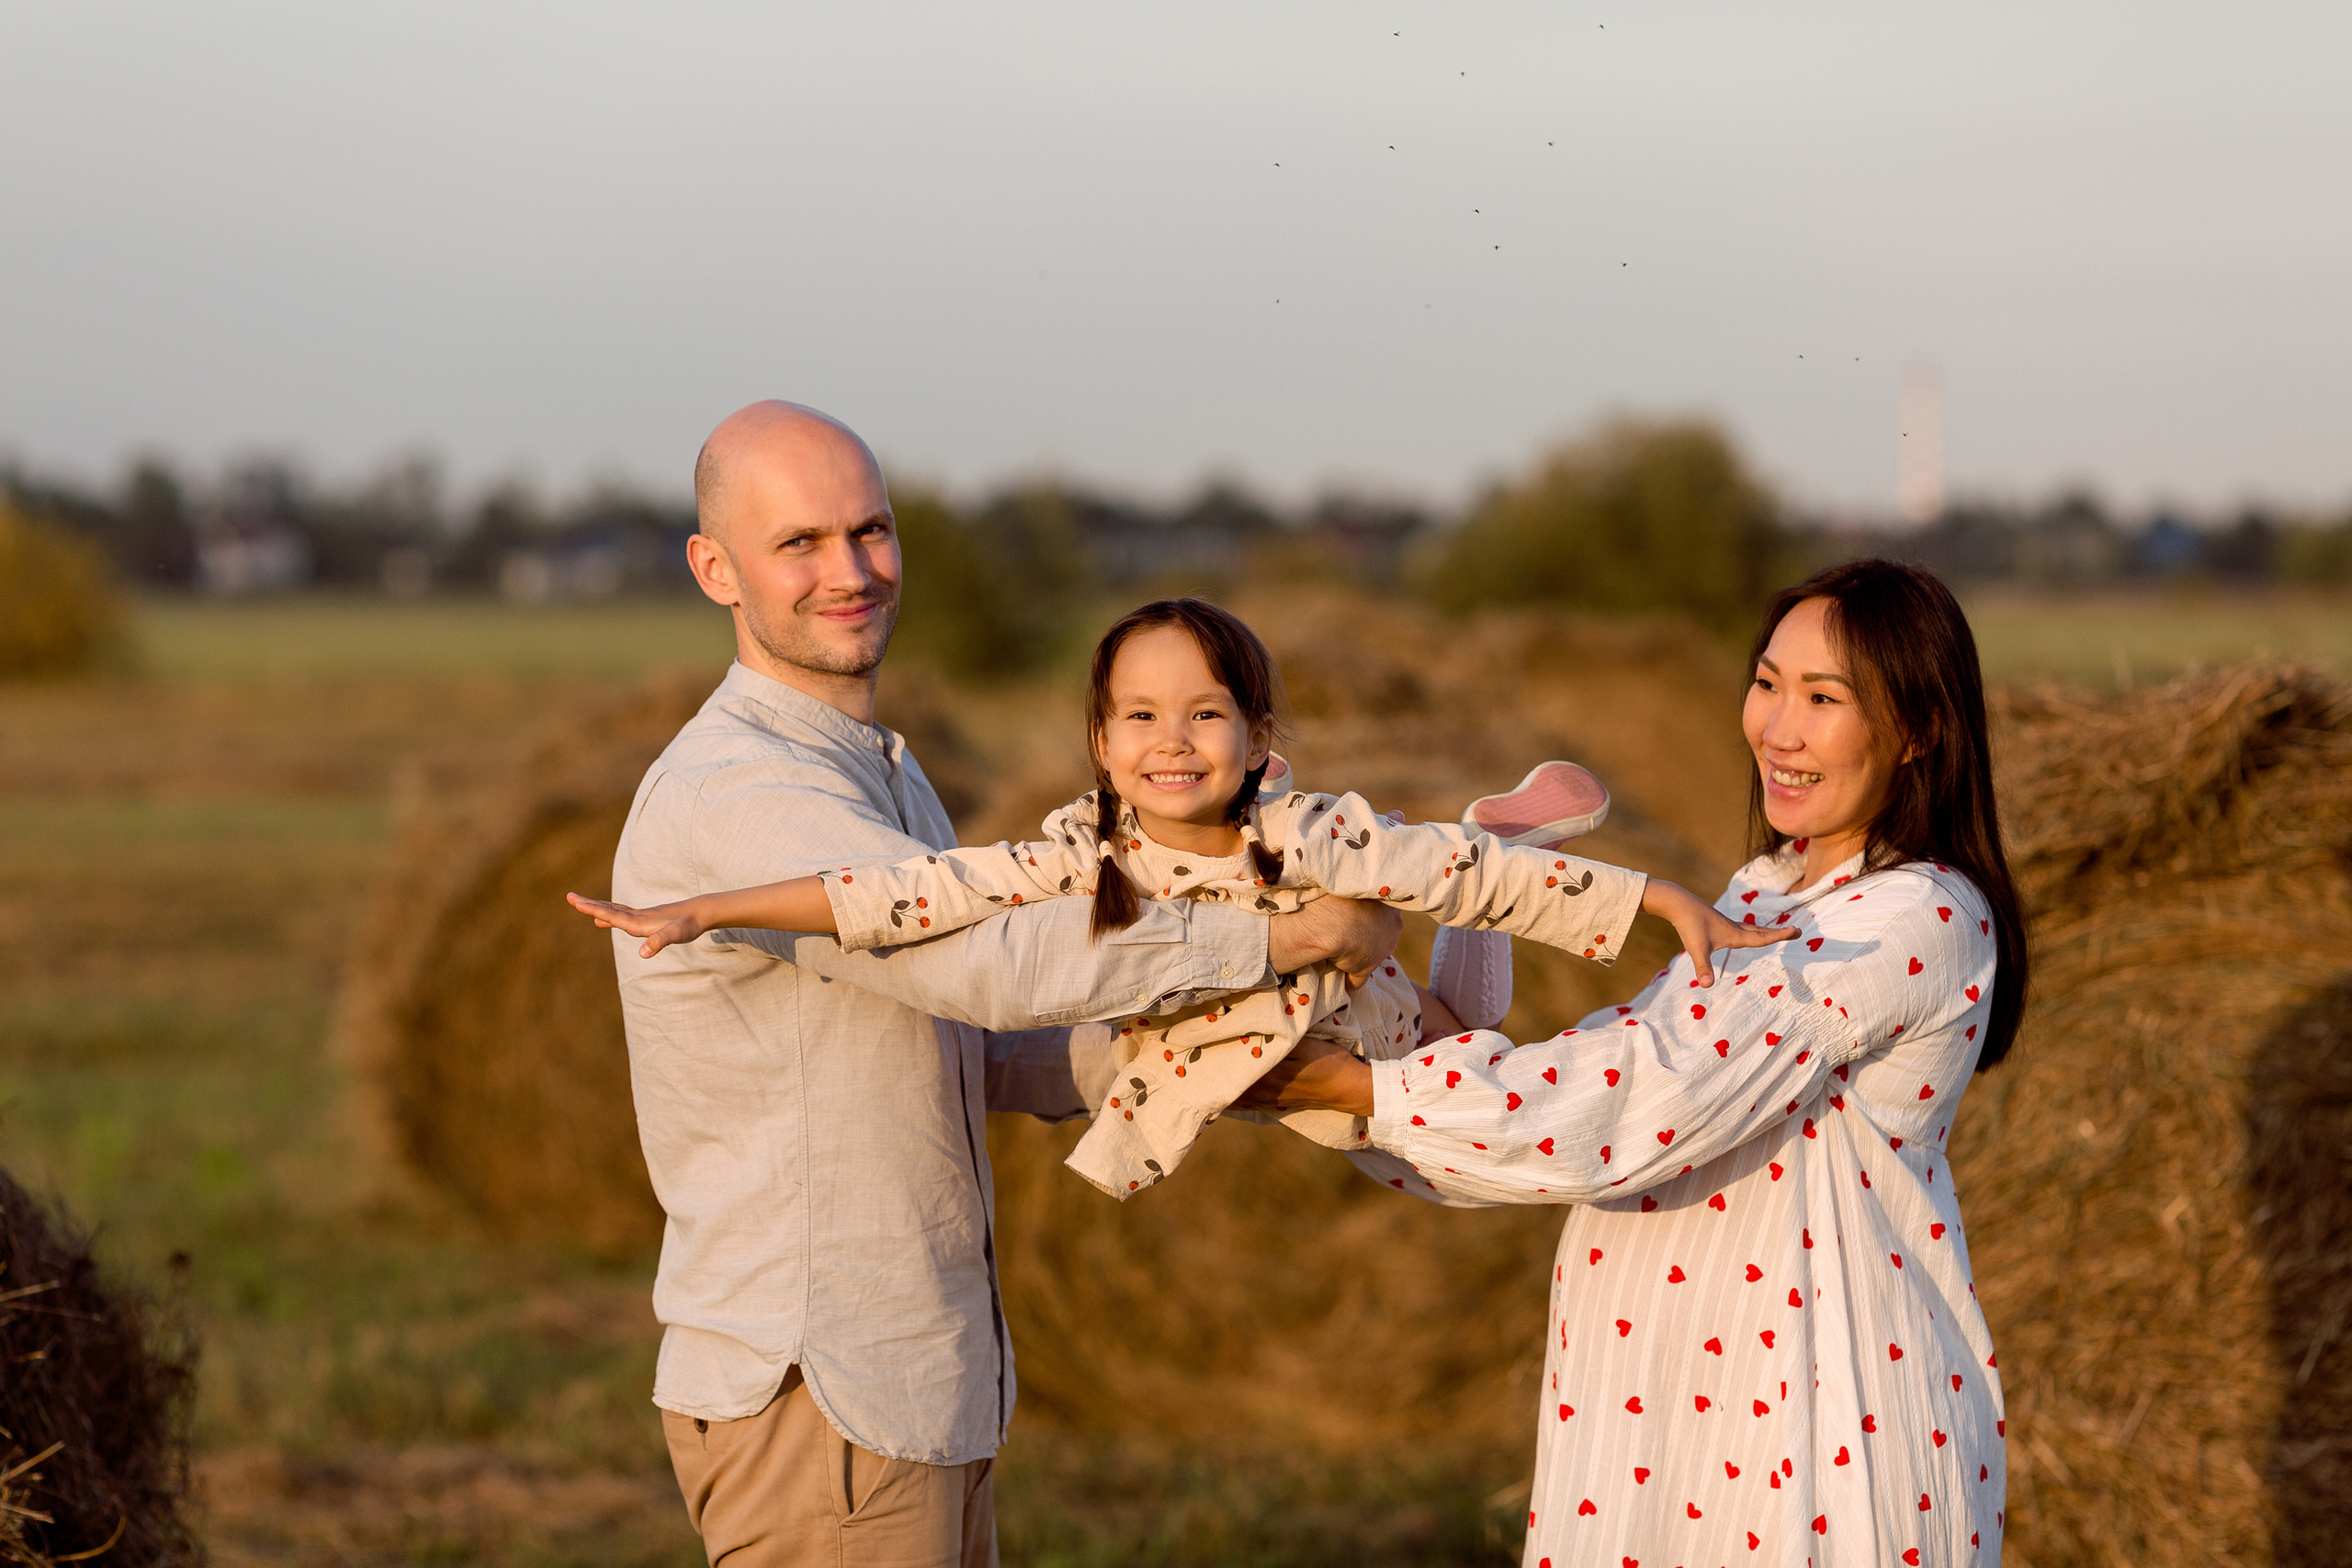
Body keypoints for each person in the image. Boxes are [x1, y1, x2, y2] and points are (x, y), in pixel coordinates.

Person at [608, 400, 1406, 1568]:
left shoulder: (880, 775)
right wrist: (1280, 941)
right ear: (714, 569)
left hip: (918, 1387)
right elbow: (991, 971)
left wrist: (1226, 1060)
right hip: (826, 1396)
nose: (852, 571)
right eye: (800, 543)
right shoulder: (743, 796)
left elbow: (978, 1046)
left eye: (870, 530)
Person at [1247, 558, 2031, 1566]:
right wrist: (1325, 1022)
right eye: (1767, 682)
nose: (1777, 728)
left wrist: (1354, 1091)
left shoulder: (1917, 914)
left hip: (1815, 1426)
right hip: (1664, 1414)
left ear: (1918, 728)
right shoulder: (1763, 891)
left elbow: (1651, 1095)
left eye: (1823, 698)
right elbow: (1585, 1080)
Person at [575, 597, 1791, 1200]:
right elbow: (905, 892)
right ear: (1102, 744)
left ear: (1258, 740)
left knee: (1473, 1068)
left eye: (1205, 714)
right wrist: (711, 906)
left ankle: (1489, 821)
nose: (1173, 741)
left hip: (1380, 1042)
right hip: (1303, 1072)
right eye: (1142, 716)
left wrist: (1658, 898)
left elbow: (1470, 885)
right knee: (1435, 1141)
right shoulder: (1079, 854)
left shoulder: (1304, 831)